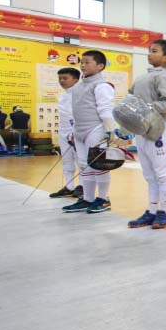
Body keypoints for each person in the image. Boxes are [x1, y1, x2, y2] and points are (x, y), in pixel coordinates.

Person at [126, 39, 166, 230]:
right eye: (149, 50)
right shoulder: (142, 78)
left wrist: (146, 106)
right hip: (141, 129)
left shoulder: (165, 76)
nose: (149, 53)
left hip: (157, 129)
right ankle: (151, 211)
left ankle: (163, 212)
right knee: (149, 175)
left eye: (154, 51)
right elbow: (131, 100)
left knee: (162, 173)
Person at [61, 50, 118, 214]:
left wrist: (109, 131)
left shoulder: (102, 86)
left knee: (99, 165)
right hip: (79, 130)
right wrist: (73, 130)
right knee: (84, 166)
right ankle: (87, 198)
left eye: (88, 62)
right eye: (82, 62)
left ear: (100, 66)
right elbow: (76, 110)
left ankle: (103, 198)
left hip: (96, 129)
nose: (83, 65)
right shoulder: (78, 86)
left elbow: (106, 110)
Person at [48, 68, 83, 198]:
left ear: (75, 80)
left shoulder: (80, 94)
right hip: (63, 132)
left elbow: (80, 115)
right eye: (60, 78)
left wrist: (75, 132)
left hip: (76, 132)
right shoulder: (63, 96)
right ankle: (69, 187)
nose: (61, 81)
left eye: (65, 78)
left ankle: (82, 186)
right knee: (67, 161)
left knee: (81, 160)